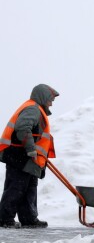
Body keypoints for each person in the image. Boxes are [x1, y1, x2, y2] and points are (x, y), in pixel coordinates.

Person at [0, 84, 58, 228]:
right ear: (43, 97)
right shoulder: (32, 109)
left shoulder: (37, 110)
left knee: (29, 189)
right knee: (16, 188)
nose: (51, 103)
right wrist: (31, 149)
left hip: (29, 159)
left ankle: (29, 219)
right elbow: (23, 127)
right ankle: (4, 219)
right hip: (20, 155)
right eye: (50, 99)